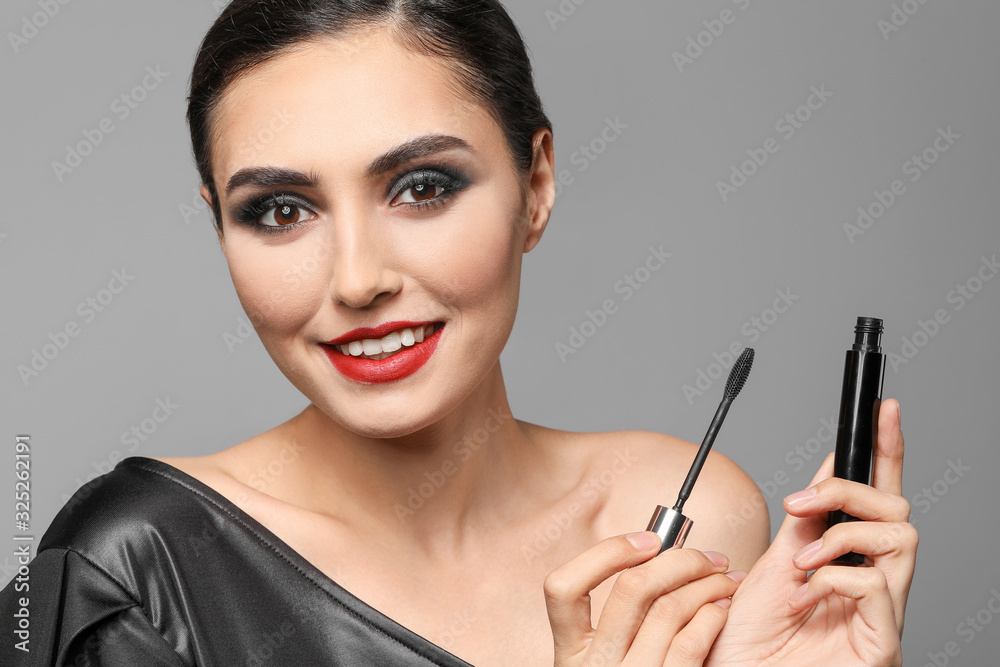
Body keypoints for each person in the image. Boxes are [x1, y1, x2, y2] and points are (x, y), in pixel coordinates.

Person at [1, 1, 916, 665]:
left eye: (423, 187)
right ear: (219, 226)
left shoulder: (686, 519)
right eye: (280, 210)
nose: (358, 279)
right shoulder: (128, 570)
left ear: (538, 181)